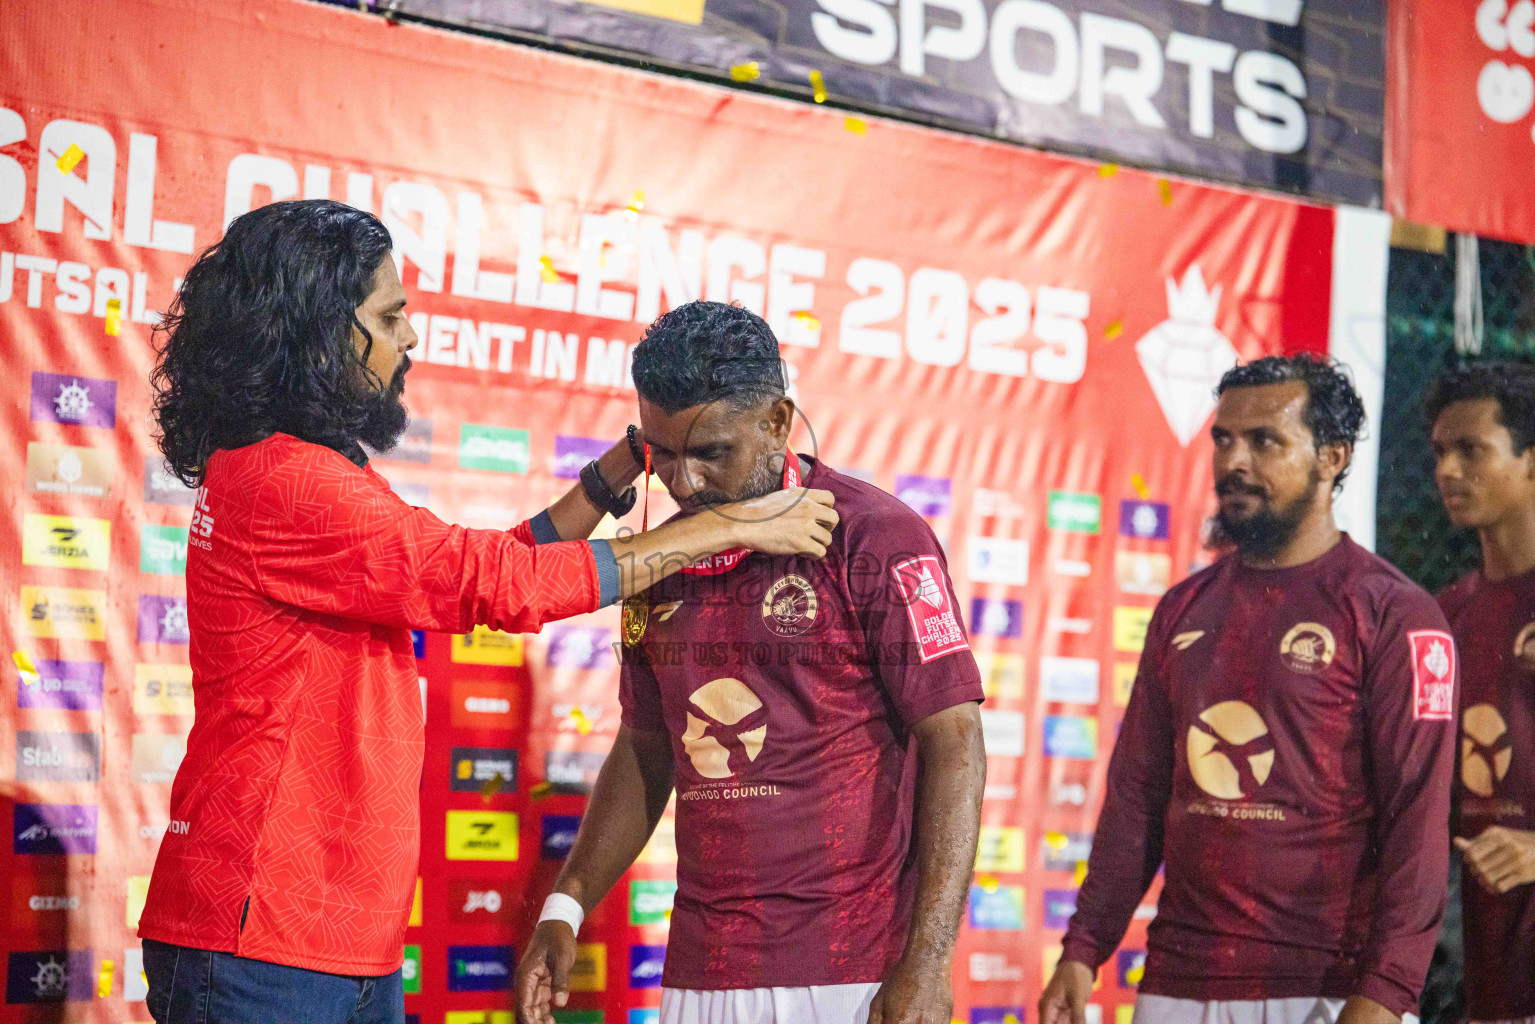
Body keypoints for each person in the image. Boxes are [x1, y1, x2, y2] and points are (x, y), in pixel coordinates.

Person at [136, 202, 837, 1024]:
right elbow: (493, 583)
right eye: (390, 316)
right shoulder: (288, 480)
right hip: (263, 938)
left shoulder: (301, 471)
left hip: (327, 936)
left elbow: (486, 563)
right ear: (321, 333)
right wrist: (729, 523)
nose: (410, 339)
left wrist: (609, 480)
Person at [514, 301, 987, 1024]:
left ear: (777, 421)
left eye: (711, 453)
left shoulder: (878, 536)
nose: (685, 482)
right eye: (662, 454)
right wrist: (565, 905)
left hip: (852, 973)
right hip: (699, 975)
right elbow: (647, 750)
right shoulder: (660, 559)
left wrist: (926, 962)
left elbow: (953, 742)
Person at [1040, 355, 1458, 1024]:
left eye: (1264, 441)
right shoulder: (1182, 608)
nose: (1234, 460)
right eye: (1223, 439)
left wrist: (1384, 993)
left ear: (1331, 457)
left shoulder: (1392, 614)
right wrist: (1083, 948)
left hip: (1327, 986)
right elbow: (1137, 796)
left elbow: (1417, 823)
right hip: (1176, 983)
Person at [1429, 362, 1535, 1024]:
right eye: (1440, 451)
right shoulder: (1440, 618)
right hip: (1484, 988)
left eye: (1471, 450)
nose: (1446, 470)